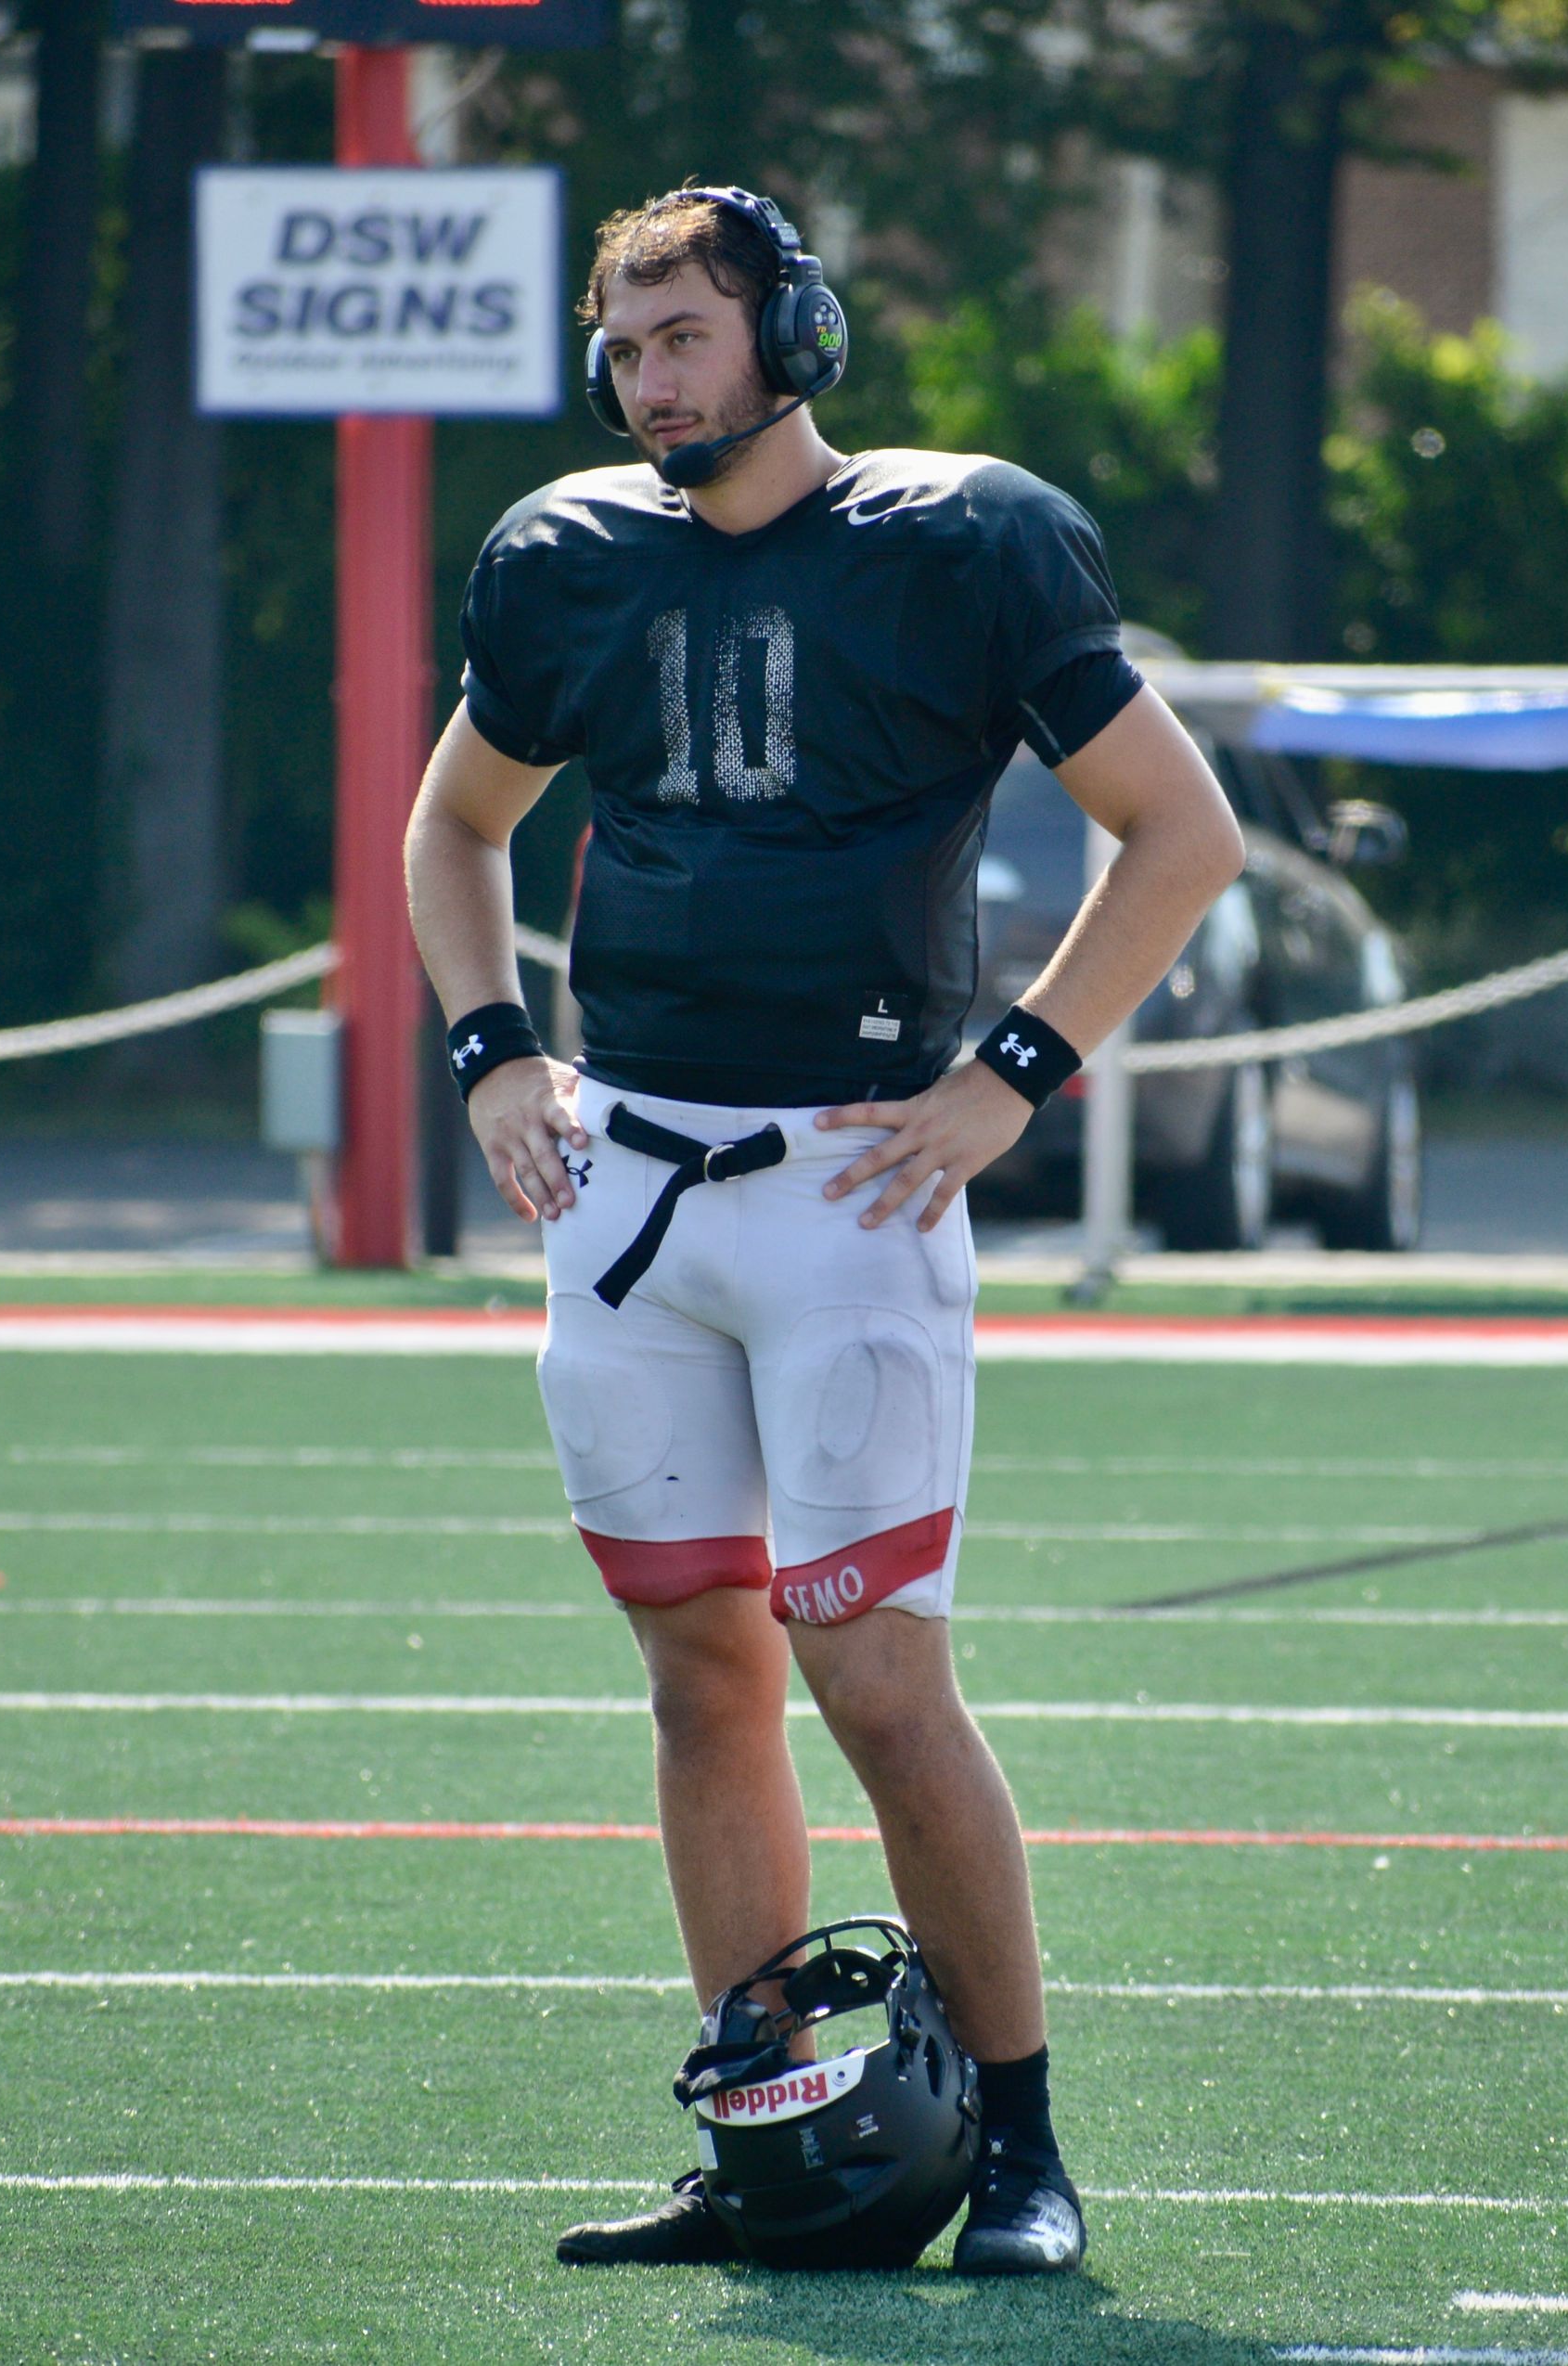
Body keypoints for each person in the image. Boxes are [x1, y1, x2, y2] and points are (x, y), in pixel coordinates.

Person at [403, 183, 1244, 2274]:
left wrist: (1015, 1076)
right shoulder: (567, 557)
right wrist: (497, 1051)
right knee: (700, 1675)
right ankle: (770, 2133)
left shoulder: (958, 542)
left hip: (848, 1189)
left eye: (680, 334)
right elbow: (454, 823)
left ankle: (1028, 2142)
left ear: (796, 335)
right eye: (621, 343)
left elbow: (1181, 831)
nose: (643, 377)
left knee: (871, 1677)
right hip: (624, 1192)